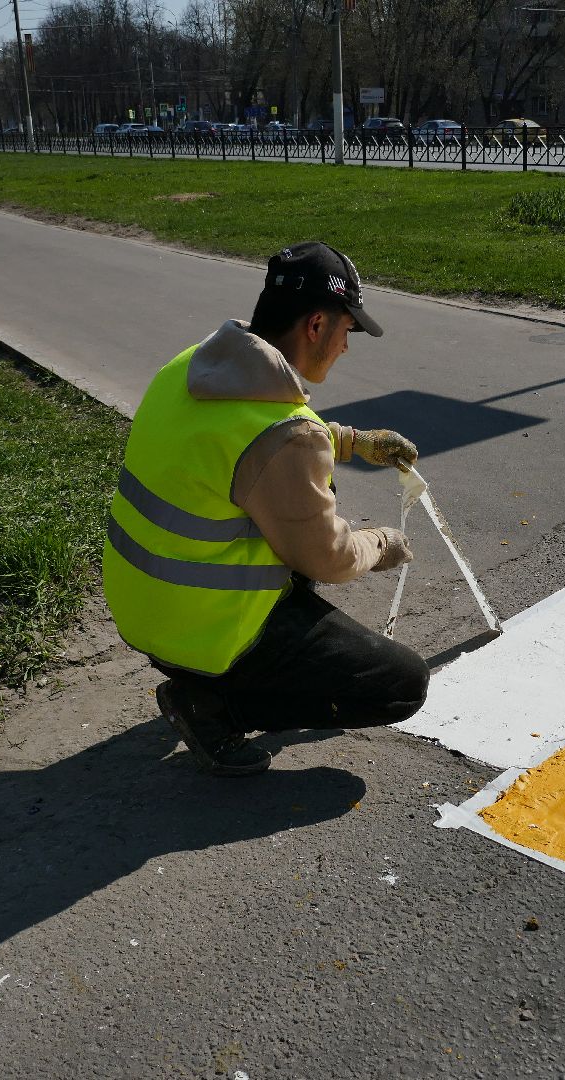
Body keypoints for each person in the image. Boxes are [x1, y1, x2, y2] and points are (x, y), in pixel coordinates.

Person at [103, 241, 429, 776]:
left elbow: (244, 443)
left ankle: (209, 682)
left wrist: (350, 440)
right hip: (203, 630)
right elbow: (328, 556)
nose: (347, 346)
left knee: (290, 558)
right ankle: (213, 705)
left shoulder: (192, 369)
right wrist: (381, 544)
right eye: (348, 331)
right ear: (317, 325)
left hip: (142, 606)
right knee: (400, 685)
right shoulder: (285, 433)